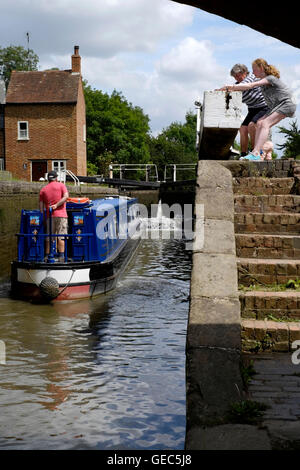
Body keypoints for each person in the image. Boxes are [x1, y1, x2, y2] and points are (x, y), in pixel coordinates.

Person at [219, 58, 297, 161]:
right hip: (275, 106)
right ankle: (264, 148)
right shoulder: (262, 81)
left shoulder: (269, 78)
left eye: (254, 69)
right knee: (260, 123)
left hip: (286, 103)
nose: (253, 71)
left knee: (264, 124)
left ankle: (256, 152)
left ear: (260, 68)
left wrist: (230, 86)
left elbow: (250, 85)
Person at [230, 63, 269, 157]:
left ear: (244, 72)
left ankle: (254, 152)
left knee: (252, 126)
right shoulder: (237, 85)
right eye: (235, 77)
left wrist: (228, 88)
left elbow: (243, 86)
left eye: (238, 76)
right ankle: (243, 154)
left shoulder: (251, 77)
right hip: (252, 109)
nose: (237, 79)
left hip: (263, 107)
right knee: (243, 128)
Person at [39, 170, 69, 261]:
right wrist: (57, 205)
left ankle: (47, 256)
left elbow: (41, 207)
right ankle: (61, 257)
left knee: (49, 236)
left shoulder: (43, 190)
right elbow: (66, 197)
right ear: (56, 178)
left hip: (49, 216)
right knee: (61, 236)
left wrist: (43, 218)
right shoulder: (61, 186)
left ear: (48, 179)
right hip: (61, 215)